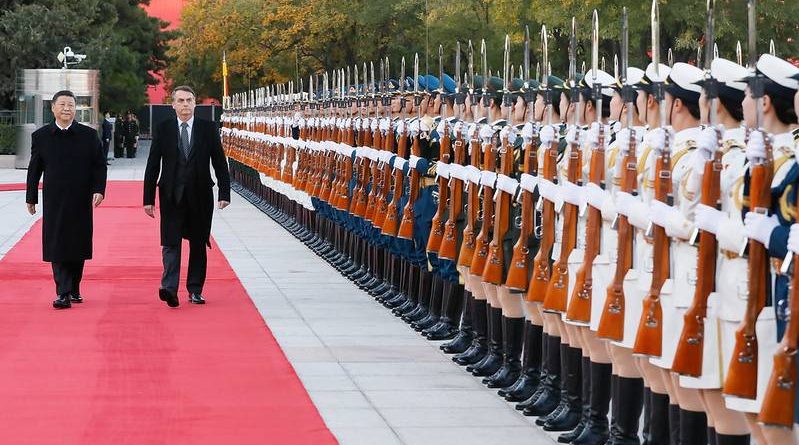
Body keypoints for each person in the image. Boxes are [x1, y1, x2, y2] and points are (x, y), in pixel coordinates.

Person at [143, 85, 231, 308]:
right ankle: (169, 288)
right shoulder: (163, 129)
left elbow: (220, 163)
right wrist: (148, 199)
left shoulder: (208, 129)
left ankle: (195, 289)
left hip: (200, 195)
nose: (184, 105)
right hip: (171, 194)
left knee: (198, 243)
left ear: (195, 103)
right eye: (180, 101)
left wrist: (224, 192)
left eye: (189, 100)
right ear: (173, 104)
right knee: (170, 242)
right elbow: (153, 164)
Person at [25, 90, 107, 309]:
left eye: (71, 105)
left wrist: (99, 189)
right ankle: (63, 292)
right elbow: (34, 169)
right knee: (57, 242)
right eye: (62, 105)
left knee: (77, 242)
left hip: (81, 198)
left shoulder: (88, 136)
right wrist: (31, 197)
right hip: (54, 199)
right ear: (53, 108)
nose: (67, 109)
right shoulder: (41, 136)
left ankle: (74, 287)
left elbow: (99, 165)